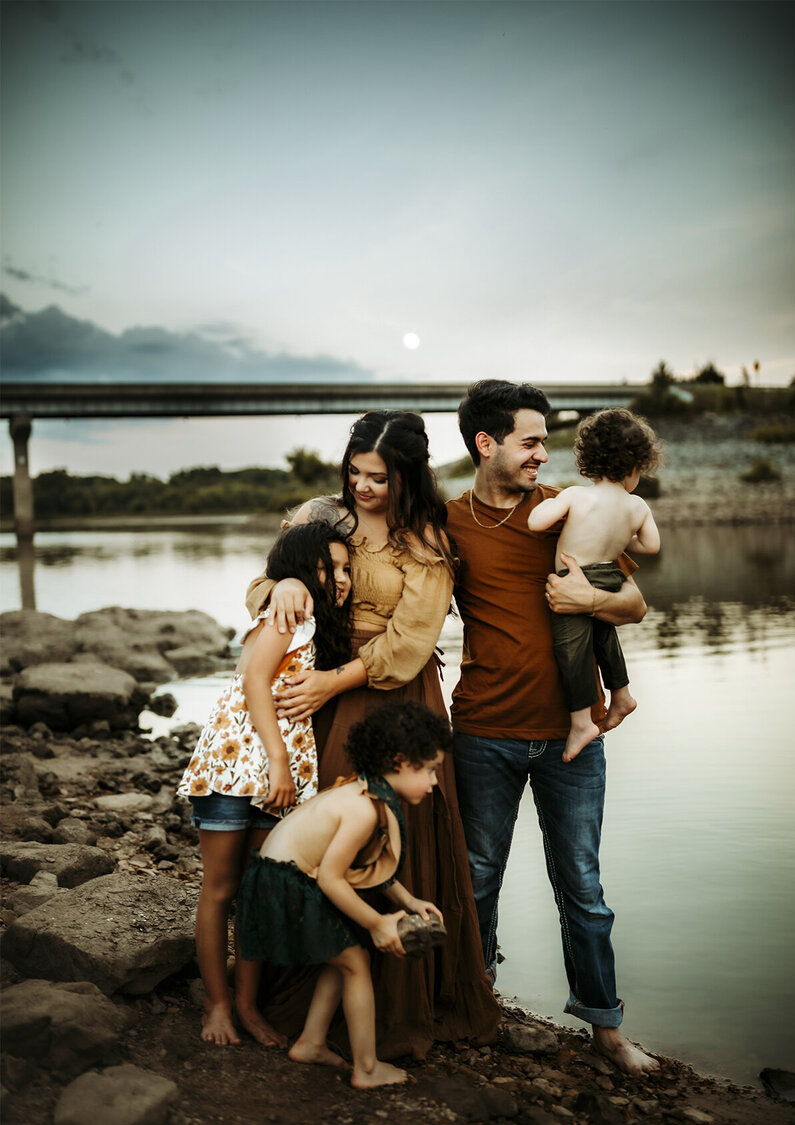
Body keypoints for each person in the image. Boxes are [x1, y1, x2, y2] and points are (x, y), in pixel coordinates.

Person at [246, 410, 500, 1059]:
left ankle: (403, 1004)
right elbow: (263, 582)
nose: (362, 487)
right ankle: (315, 998)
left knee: (398, 832)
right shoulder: (321, 516)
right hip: (324, 692)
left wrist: (334, 683)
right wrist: (284, 584)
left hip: (394, 695)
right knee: (335, 828)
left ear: (407, 476)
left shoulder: (427, 541)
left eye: (378, 478)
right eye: (355, 472)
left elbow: (413, 641)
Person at [447, 379, 659, 1075]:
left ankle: (605, 1028)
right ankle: (478, 1001)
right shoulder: (449, 523)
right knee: (477, 877)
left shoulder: (565, 513)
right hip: (483, 731)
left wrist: (586, 596)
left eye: (545, 440)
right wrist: (287, 575)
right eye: (531, 440)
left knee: (583, 888)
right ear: (488, 443)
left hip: (574, 735)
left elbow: (633, 603)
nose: (544, 453)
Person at [177, 523, 353, 1047]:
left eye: (346, 569)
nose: (341, 579)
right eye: (330, 567)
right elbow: (254, 680)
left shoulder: (317, 622)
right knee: (220, 889)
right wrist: (279, 761)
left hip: (277, 775)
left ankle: (250, 1006)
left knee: (256, 893)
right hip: (237, 766)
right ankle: (217, 1006)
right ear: (300, 570)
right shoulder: (289, 614)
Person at [237, 701, 451, 1089]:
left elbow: (365, 866)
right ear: (401, 761)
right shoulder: (363, 811)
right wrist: (378, 923)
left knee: (345, 959)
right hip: (282, 886)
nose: (435, 781)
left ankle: (311, 1043)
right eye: (430, 770)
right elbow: (333, 880)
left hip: (280, 882)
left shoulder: (366, 792)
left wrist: (408, 902)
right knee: (355, 963)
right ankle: (366, 1068)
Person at [527, 408, 662, 763]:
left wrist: (549, 508)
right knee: (604, 638)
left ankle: (581, 722)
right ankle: (622, 694)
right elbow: (650, 546)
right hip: (609, 577)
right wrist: (621, 536)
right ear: (635, 466)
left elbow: (538, 523)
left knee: (571, 652)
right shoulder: (636, 505)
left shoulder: (577, 496)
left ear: (590, 459)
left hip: (573, 580)